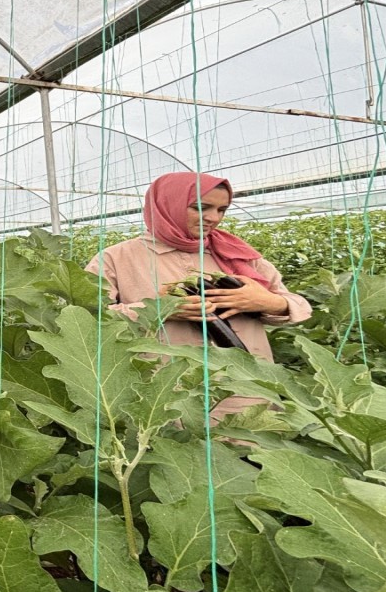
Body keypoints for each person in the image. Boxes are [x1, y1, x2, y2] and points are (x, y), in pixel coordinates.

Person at [85, 172, 311, 419]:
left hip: (245, 384)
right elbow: (88, 321)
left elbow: (299, 306)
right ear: (167, 205)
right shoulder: (115, 259)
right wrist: (158, 308)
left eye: (222, 209)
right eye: (200, 207)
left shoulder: (239, 254)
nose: (213, 218)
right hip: (166, 391)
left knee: (251, 448)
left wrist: (268, 302)